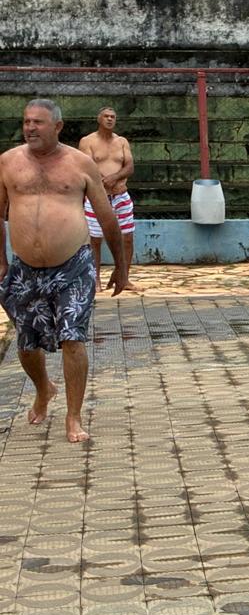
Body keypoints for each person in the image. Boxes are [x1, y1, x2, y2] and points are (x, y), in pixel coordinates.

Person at [0, 99, 127, 443]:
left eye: (38, 122)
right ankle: (44, 388)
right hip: (24, 269)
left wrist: (121, 267)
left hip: (74, 266)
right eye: (26, 121)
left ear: (57, 126)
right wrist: (1, 261)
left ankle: (73, 417)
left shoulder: (80, 163)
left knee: (73, 338)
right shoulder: (8, 162)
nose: (30, 128)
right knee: (27, 343)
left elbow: (107, 218)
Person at [77, 106, 139, 292]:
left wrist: (115, 178)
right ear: (99, 119)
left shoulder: (121, 141)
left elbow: (129, 166)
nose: (110, 119)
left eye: (113, 116)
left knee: (127, 238)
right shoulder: (88, 141)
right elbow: (86, 166)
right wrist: (104, 181)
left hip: (120, 195)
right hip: (97, 196)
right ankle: (95, 279)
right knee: (95, 239)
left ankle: (124, 278)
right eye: (106, 116)